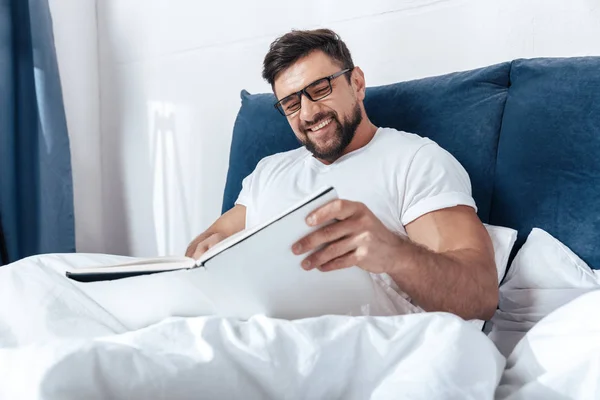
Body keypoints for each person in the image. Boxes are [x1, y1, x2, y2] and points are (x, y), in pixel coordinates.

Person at [186, 29, 498, 321]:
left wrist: (393, 253)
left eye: (320, 89)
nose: (308, 113)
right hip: (257, 332)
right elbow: (203, 247)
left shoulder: (415, 161)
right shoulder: (268, 172)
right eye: (291, 104)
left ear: (357, 83)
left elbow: (479, 295)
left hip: (358, 341)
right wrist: (207, 255)